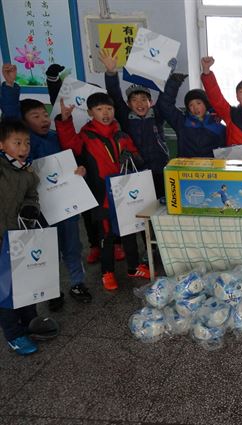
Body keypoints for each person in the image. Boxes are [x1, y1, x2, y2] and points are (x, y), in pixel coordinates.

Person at [0, 63, 92, 308]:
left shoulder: (55, 136)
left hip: (65, 204)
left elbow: (71, 155)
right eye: (36, 116)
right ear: (23, 122)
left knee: (72, 245)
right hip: (39, 208)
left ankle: (77, 281)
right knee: (46, 249)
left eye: (44, 114)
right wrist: (9, 86)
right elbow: (9, 117)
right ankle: (51, 290)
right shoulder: (25, 145)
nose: (43, 119)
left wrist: (78, 170)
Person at [55, 92, 151, 290]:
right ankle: (107, 272)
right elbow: (69, 144)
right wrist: (65, 121)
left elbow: (137, 155)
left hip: (125, 193)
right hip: (102, 195)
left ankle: (133, 267)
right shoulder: (86, 136)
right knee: (106, 235)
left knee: (129, 231)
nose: (105, 113)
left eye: (109, 109)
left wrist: (131, 156)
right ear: (90, 112)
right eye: (99, 110)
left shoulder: (122, 134)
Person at [0, 120, 60, 355]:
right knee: (5, 291)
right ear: (2, 145)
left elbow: (31, 195)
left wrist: (29, 206)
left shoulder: (27, 171)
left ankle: (30, 321)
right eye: (17, 142)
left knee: (26, 281)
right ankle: (13, 334)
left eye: (26, 142)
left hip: (20, 238)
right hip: (2, 240)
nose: (24, 147)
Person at [98, 50, 169, 197]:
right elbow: (115, 95)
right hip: (137, 170)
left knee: (162, 206)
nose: (140, 103)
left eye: (144, 99)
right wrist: (111, 72)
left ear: (151, 102)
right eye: (135, 100)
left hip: (161, 169)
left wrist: (167, 76)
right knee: (142, 205)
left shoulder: (157, 114)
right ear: (129, 104)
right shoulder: (125, 116)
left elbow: (166, 98)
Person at [200, 56, 242, 159]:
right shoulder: (230, 112)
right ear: (236, 96)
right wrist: (207, 72)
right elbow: (215, 97)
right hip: (232, 164)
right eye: (241, 92)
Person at [156, 68, 226, 158]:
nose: (195, 108)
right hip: (185, 169)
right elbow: (165, 105)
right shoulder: (182, 122)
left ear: (206, 104)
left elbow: (224, 154)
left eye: (198, 103)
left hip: (210, 170)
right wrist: (173, 82)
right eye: (191, 105)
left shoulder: (219, 127)